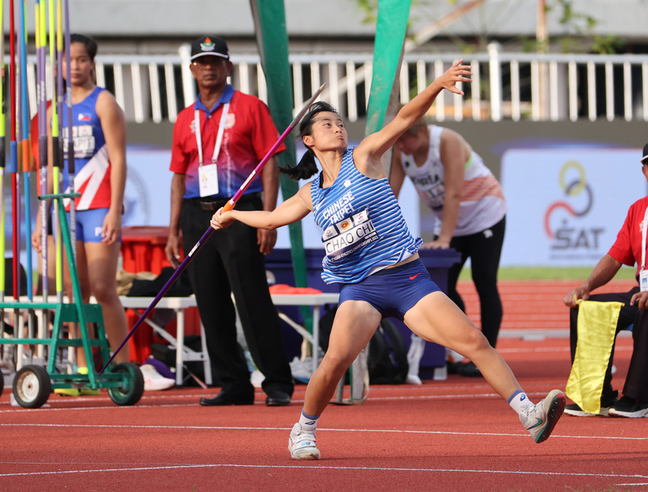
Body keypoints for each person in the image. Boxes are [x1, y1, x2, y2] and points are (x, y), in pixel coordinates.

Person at [209, 60, 565, 460]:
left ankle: (529, 414)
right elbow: (274, 217)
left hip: (407, 278)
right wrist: (233, 214)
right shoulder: (311, 194)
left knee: (474, 342)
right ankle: (303, 429)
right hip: (362, 289)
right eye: (327, 124)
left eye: (340, 121)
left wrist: (436, 85)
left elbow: (405, 118)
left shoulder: (365, 156)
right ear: (308, 140)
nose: (338, 127)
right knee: (335, 360)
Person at [165, 35, 293, 407]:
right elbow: (177, 174)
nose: (209, 68)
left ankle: (277, 382)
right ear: (192, 69)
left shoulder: (251, 107)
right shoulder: (185, 118)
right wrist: (172, 227)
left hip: (239, 211)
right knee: (209, 300)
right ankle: (234, 382)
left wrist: (268, 219)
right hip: (196, 214)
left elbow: (270, 163)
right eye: (202, 62)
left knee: (252, 297)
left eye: (216, 62)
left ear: (229, 67)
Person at [32, 34, 130, 390]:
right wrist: (42, 219)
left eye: (81, 59)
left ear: (91, 63)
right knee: (74, 291)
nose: (74, 66)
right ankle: (80, 367)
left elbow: (119, 159)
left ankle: (123, 366)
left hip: (99, 206)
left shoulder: (104, 103)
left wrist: (115, 211)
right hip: (63, 208)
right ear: (57, 66)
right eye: (67, 60)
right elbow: (47, 168)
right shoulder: (52, 110)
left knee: (103, 288)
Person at [390, 119, 507, 378]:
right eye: (396, 141)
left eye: (405, 140)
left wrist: (444, 237)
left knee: (484, 280)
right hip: (450, 220)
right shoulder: (402, 153)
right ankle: (463, 345)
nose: (401, 146)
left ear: (421, 132)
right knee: (441, 287)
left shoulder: (445, 141)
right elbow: (390, 196)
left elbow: (454, 192)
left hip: (484, 214)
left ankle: (486, 356)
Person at [563, 144, 648, 418]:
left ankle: (637, 397)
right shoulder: (638, 210)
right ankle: (596, 395)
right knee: (586, 307)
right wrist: (586, 287)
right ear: (644, 171)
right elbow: (614, 258)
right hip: (641, 291)